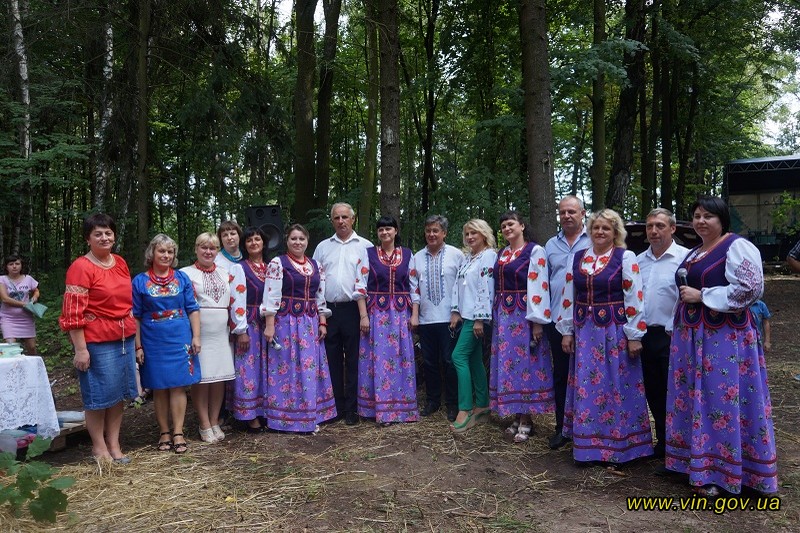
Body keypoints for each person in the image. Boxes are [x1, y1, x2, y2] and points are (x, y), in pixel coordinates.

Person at [666, 196, 777, 496]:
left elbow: (751, 289)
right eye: (697, 216)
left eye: (708, 216)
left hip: (724, 340)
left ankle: (724, 472)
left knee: (719, 401)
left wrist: (704, 296)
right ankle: (697, 464)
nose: (701, 221)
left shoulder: (736, 246)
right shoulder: (694, 253)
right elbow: (682, 292)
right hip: (692, 338)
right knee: (696, 399)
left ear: (722, 220)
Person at [557, 209, 653, 466]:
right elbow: (569, 295)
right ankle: (589, 448)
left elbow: (634, 296)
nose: (600, 232)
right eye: (596, 227)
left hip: (614, 331)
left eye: (606, 228)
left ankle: (621, 448)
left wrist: (634, 335)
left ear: (615, 233)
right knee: (587, 387)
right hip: (585, 332)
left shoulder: (625, 257)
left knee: (615, 385)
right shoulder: (577, 258)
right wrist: (567, 331)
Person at [59, 213, 137, 463]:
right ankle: (98, 447)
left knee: (118, 395)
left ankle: (114, 445)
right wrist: (80, 350)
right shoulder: (81, 267)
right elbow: (73, 313)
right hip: (96, 340)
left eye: (108, 233)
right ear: (88, 238)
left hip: (123, 337)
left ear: (114, 236)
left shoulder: (120, 263)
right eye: (98, 234)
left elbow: (128, 302)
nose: (104, 237)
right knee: (98, 396)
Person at [262, 224, 337, 432]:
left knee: (309, 368)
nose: (297, 242)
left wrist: (322, 321)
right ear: (287, 240)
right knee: (286, 366)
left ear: (307, 241)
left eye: (301, 239)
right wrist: (270, 326)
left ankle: (310, 414)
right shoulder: (279, 263)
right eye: (293, 238)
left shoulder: (315, 265)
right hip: (285, 322)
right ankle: (285, 418)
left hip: (310, 323)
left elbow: (319, 297)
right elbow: (272, 296)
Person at [133, 234, 201, 454]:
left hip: (179, 337)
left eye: (170, 252)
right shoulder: (140, 281)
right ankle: (164, 432)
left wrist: (196, 336)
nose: (166, 255)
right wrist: (138, 345)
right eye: (162, 251)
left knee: (178, 385)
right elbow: (135, 315)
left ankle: (179, 432)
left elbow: (192, 308)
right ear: (152, 253)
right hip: (152, 338)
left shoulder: (182, 279)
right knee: (159, 386)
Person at [490, 211, 553, 443]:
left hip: (523, 316)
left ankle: (527, 419)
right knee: (510, 366)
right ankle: (517, 415)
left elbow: (539, 285)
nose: (507, 229)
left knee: (526, 365)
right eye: (504, 226)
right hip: (504, 318)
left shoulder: (534, 251)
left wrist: (537, 322)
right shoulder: (503, 253)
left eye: (511, 224)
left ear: (522, 226)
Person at [180, 233, 247, 443]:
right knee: (202, 378)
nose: (208, 252)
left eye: (213, 248)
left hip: (221, 331)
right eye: (204, 248)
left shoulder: (226, 272)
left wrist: (238, 328)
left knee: (219, 377)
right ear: (196, 249)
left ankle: (214, 419)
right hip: (200, 331)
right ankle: (203, 423)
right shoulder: (185, 274)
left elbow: (236, 300)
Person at [636, 208, 689, 459]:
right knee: (653, 391)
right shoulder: (637, 261)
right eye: (650, 226)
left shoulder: (685, 258)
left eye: (660, 226)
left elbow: (685, 298)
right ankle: (663, 443)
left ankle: (678, 446)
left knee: (675, 393)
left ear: (673, 229)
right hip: (644, 336)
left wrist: (672, 328)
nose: (654, 231)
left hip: (672, 335)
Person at [312, 202, 371, 425]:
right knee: (331, 360)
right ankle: (334, 407)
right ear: (332, 220)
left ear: (353, 219)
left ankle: (353, 409)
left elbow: (368, 281)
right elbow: (316, 280)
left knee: (355, 359)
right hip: (328, 311)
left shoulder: (365, 246)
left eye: (345, 217)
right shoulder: (322, 247)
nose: (341, 221)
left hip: (354, 309)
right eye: (336, 218)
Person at [357, 215, 418, 425]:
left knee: (400, 358)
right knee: (378, 360)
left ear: (396, 231)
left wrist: (415, 313)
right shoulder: (368, 254)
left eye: (388, 229)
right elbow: (360, 287)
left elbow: (414, 286)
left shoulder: (408, 254)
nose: (385, 233)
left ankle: (401, 409)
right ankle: (377, 410)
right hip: (376, 314)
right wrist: (363, 316)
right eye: (381, 229)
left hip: (400, 315)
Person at [544, 195, 590, 449]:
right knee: (561, 374)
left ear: (582, 213)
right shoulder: (550, 245)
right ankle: (562, 427)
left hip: (589, 320)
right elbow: (543, 282)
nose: (567, 216)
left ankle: (589, 427)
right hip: (557, 320)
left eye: (572, 211)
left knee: (588, 375)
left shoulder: (595, 240)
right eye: (562, 212)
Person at [410, 215, 463, 422]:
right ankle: (432, 401)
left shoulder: (456, 255)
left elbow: (462, 285)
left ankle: (453, 403)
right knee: (430, 362)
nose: (431, 234)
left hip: (450, 318)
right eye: (428, 230)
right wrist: (415, 315)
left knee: (450, 361)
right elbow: (413, 288)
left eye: (436, 230)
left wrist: (457, 311)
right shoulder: (416, 257)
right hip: (426, 319)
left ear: (444, 233)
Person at [449, 219, 496, 433]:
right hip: (466, 316)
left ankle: (465, 408)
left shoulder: (488, 256)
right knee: (474, 358)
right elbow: (459, 287)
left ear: (484, 234)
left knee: (458, 356)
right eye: (467, 234)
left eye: (474, 233)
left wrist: (480, 318)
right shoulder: (468, 258)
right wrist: (455, 311)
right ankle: (484, 405)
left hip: (477, 318)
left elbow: (486, 287)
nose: (469, 237)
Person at [228, 226, 270, 432]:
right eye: (250, 240)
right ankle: (249, 415)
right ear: (245, 245)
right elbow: (236, 300)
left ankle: (265, 411)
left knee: (267, 369)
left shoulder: (272, 266)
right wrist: (241, 330)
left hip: (269, 326)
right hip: (249, 324)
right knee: (248, 369)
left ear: (264, 242)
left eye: (257, 239)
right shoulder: (240, 268)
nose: (254, 243)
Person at [1, 254, 40, 354]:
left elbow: (36, 290)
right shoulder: (2, 280)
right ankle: (14, 369)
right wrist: (24, 304)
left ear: (21, 265)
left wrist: (35, 297)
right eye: (11, 264)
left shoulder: (28, 279)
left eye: (17, 263)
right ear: (6, 266)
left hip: (26, 317)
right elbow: (5, 299)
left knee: (31, 348)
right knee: (11, 347)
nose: (14, 266)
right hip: (8, 318)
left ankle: (33, 368)